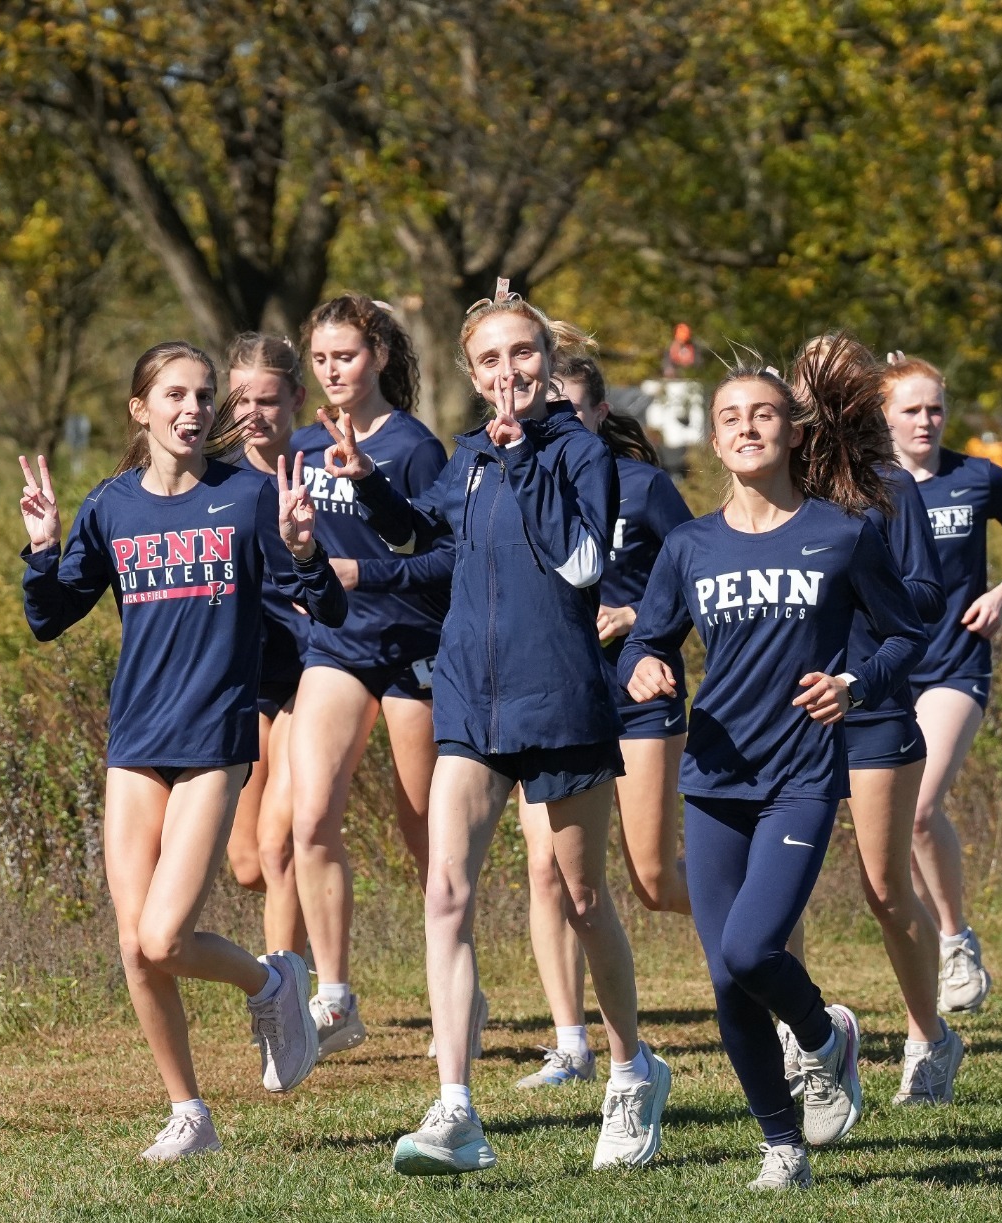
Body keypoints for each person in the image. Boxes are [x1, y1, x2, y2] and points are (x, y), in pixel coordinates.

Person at [322, 290, 671, 1175]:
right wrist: (368, 485)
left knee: (584, 899)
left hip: (559, 700)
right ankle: (456, 1107)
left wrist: (528, 466)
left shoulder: (579, 450)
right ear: (473, 374)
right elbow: (432, 544)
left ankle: (633, 1069)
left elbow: (585, 563)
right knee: (446, 891)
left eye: (523, 356)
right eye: (490, 361)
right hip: (471, 705)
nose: (508, 374)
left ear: (546, 364)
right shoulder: (472, 453)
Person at [17, 341, 344, 1162]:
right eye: (175, 395)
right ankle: (189, 1112)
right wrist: (42, 550)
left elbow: (326, 609)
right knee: (135, 943)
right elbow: (51, 616)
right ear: (141, 408)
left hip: (214, 738)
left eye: (205, 395)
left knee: (165, 937)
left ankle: (274, 983)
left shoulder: (247, 498)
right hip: (135, 740)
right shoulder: (112, 506)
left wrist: (304, 550)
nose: (194, 409)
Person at [619, 335, 927, 1191]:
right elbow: (646, 640)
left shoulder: (843, 534)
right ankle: (781, 1145)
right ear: (714, 442)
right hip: (714, 777)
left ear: (792, 431)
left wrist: (857, 684)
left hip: (800, 775)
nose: (746, 427)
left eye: (762, 413)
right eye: (729, 418)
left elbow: (908, 633)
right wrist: (643, 665)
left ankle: (826, 1038)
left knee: (755, 952)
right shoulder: (690, 546)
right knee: (725, 980)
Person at [775, 337, 959, 1108]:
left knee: (885, 889)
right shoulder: (776, 486)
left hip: (875, 701)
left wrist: (859, 590)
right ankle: (802, 1038)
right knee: (779, 895)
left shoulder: (889, 488)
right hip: (791, 710)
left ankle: (930, 1036)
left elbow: (923, 595)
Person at [514, 321, 694, 1094]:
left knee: (653, 877)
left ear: (598, 414)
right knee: (547, 869)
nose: (558, 422)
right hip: (558, 702)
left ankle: (768, 944)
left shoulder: (645, 486)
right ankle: (571, 1042)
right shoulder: (520, 484)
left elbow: (699, 567)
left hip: (639, 695)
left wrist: (640, 620)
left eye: (573, 409)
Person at [287, 294, 454, 1058]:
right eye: (320, 359)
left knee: (426, 836)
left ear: (379, 356)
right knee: (312, 815)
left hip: (412, 650)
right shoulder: (302, 442)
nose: (332, 371)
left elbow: (439, 561)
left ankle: (456, 991)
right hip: (337, 646)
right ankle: (335, 997)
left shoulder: (417, 448)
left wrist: (364, 571)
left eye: (345, 356)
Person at [881, 353, 1002, 1014]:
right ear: (884, 416)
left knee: (918, 807)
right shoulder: (866, 485)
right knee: (895, 826)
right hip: (886, 673)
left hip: (956, 665)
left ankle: (955, 942)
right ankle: (933, 946)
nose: (926, 420)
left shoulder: (978, 478)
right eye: (911, 409)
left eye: (934, 408)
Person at [222, 333, 313, 957]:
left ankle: (289, 1002)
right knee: (248, 864)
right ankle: (317, 927)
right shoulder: (215, 484)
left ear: (296, 399)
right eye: (238, 400)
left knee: (279, 846)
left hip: (314, 674)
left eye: (268, 400)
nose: (252, 413)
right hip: (245, 680)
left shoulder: (324, 472)